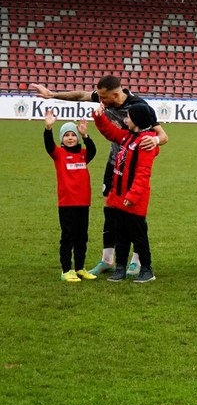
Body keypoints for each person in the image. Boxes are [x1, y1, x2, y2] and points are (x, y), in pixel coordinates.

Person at [32, 76, 167, 276]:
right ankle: (108, 260)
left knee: (134, 214)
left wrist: (155, 141)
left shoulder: (139, 106)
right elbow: (81, 95)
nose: (99, 100)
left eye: (103, 98)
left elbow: (163, 135)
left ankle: (136, 261)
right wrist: (52, 94)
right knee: (111, 211)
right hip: (114, 162)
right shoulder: (105, 98)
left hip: (132, 166)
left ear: (115, 94)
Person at [91, 101, 161, 283]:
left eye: (128, 117)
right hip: (119, 197)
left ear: (137, 120)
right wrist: (99, 117)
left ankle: (147, 269)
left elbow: (143, 174)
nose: (125, 119)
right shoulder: (128, 137)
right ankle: (120, 267)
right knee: (120, 234)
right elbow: (111, 132)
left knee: (138, 236)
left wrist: (132, 196)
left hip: (134, 199)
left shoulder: (145, 142)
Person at [43, 109, 98, 282]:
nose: (70, 138)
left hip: (83, 203)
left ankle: (80, 268)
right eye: (66, 135)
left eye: (72, 135)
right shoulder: (59, 154)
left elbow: (93, 150)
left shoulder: (83, 155)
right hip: (67, 203)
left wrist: (86, 135)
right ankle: (66, 270)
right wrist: (48, 128)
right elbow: (48, 145)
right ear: (62, 139)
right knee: (68, 237)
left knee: (82, 237)